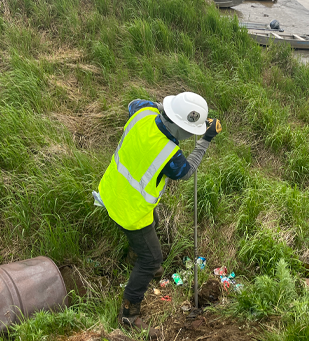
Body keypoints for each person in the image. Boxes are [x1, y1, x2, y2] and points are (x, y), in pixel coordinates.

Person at [93, 92, 221, 338]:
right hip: (130, 210)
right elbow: (187, 171)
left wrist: (174, 110)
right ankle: (129, 314)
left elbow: (134, 103)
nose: (189, 137)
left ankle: (136, 255)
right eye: (189, 131)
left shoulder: (143, 111)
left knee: (156, 223)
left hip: (111, 190)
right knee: (152, 258)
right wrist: (206, 138)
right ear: (180, 126)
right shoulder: (170, 154)